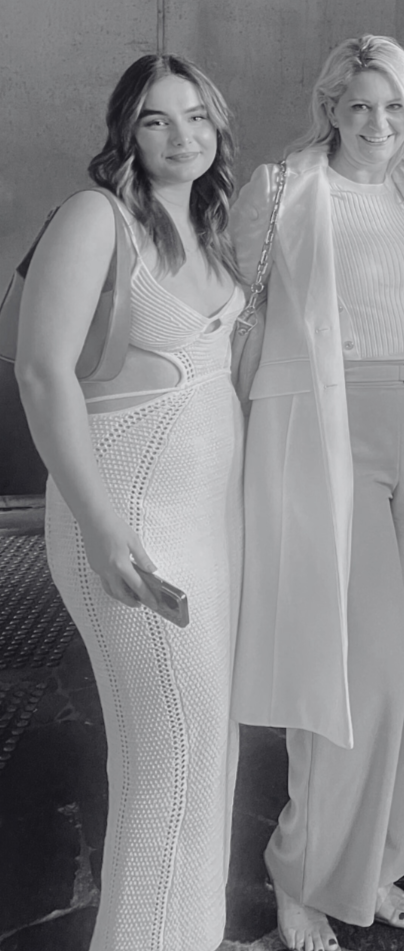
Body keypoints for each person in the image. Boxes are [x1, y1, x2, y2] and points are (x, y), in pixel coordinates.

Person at [230, 35, 404, 951]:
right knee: (349, 667)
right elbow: (233, 311)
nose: (377, 122)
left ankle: (374, 866)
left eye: (393, 107)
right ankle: (301, 872)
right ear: (330, 106)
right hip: (329, 430)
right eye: (359, 104)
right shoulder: (282, 189)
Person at [15, 54, 244, 951]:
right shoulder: (94, 218)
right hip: (133, 521)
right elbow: (42, 374)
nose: (179, 136)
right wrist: (109, 531)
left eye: (195, 117)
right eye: (155, 120)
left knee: (203, 757)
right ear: (126, 132)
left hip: (208, 525)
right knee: (172, 771)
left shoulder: (212, 226)